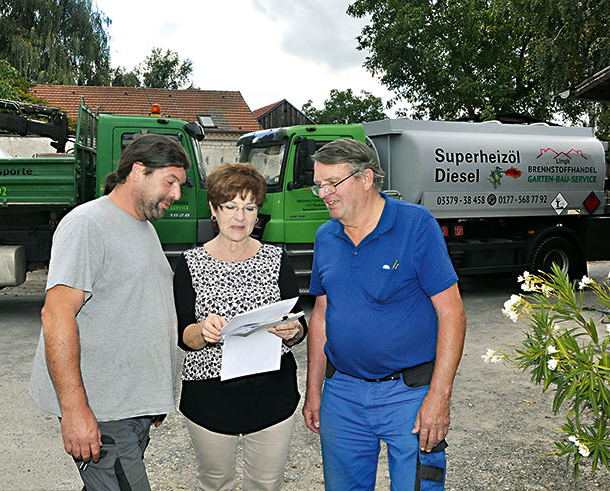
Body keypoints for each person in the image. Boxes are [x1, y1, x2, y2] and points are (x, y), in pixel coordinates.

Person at [301, 139, 466, 490]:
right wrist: (313, 390)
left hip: (408, 393)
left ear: (366, 178)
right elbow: (321, 315)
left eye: (332, 183)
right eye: (319, 185)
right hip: (342, 393)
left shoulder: (415, 225)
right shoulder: (326, 236)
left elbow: (452, 313)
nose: (324, 193)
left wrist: (439, 397)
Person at [28, 133, 190, 490]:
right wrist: (74, 411)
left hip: (129, 407)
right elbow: (56, 316)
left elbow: (136, 309)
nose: (177, 195)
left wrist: (152, 394)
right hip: (103, 413)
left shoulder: (142, 227)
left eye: (180, 184)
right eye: (170, 182)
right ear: (138, 171)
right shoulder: (88, 224)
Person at [173, 162, 307, 491]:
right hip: (210, 396)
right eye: (230, 206)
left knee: (266, 484)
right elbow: (183, 335)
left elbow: (299, 323)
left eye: (249, 207)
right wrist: (203, 330)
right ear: (213, 210)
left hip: (271, 393)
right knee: (215, 483)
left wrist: (293, 330)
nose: (240, 217)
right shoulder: (189, 263)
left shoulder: (278, 259)